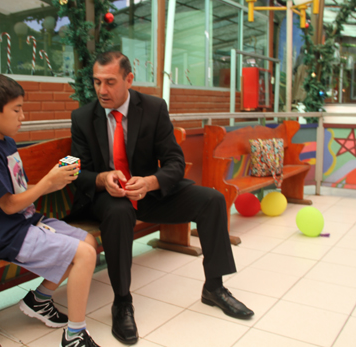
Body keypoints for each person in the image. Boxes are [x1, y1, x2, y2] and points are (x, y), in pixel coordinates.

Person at [67, 51, 254, 345]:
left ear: (129, 79)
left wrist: (152, 182)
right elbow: (77, 171)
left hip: (147, 191)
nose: (102, 90)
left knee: (213, 200)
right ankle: (122, 302)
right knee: (118, 213)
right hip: (108, 197)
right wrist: (103, 178)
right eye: (97, 82)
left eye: (110, 82)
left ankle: (214, 288)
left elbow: (174, 162)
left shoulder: (153, 108)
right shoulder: (82, 117)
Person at [0, 73, 100, 347]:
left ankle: (39, 299)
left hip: (25, 222)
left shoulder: (7, 143)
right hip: (5, 234)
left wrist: (56, 180)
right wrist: (48, 182)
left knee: (88, 241)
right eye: (17, 109)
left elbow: (19, 190)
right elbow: (9, 204)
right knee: (84, 254)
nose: (22, 116)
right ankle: (74, 336)